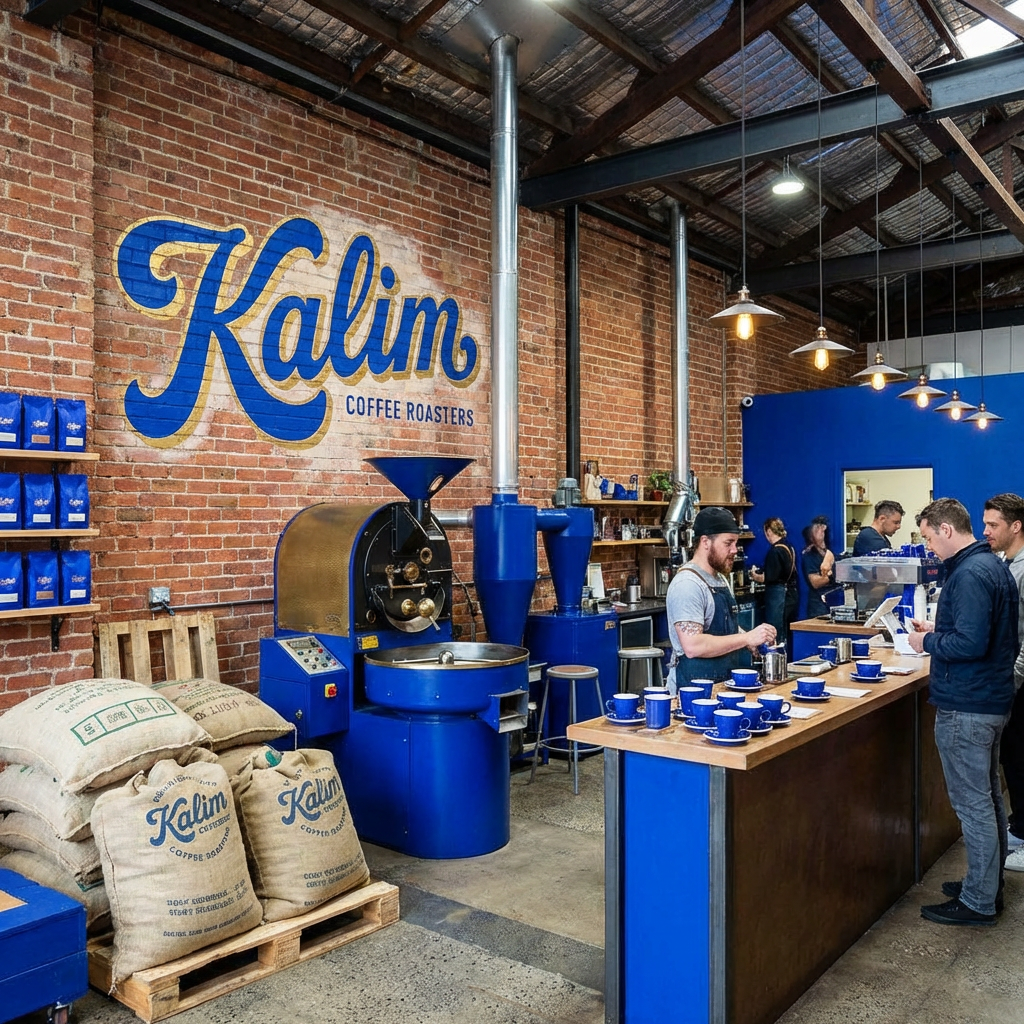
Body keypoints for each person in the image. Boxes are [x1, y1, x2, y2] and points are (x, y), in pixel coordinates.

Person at [907, 497, 1018, 925]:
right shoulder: (991, 565)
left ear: (947, 529)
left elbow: (972, 644)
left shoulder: (970, 573)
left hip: (968, 705)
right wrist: (941, 628)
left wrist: (927, 642)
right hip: (988, 699)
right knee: (988, 798)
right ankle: (987, 884)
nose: (929, 547)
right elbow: (985, 630)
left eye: (928, 538)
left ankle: (978, 900)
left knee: (974, 805)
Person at [665, 506, 776, 689]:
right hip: (692, 691)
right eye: (728, 543)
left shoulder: (719, 579)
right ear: (705, 541)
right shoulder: (688, 584)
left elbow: (725, 628)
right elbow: (693, 646)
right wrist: (746, 638)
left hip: (721, 685)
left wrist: (753, 639)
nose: (734, 550)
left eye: (735, 543)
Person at [981, 493, 1024, 871]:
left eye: (993, 525)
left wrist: (1013, 678)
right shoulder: (1007, 564)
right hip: (1009, 676)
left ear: (1016, 525)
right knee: (1012, 756)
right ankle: (1020, 826)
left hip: (1019, 680)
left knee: (1021, 756)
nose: (986, 531)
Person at [749, 517, 799, 643]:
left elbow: (769, 578)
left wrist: (754, 576)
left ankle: (776, 653)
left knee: (775, 632)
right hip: (791, 594)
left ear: (769, 531)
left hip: (778, 596)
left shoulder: (775, 551)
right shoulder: (789, 547)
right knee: (785, 633)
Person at [800, 515, 835, 619]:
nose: (821, 530)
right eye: (817, 528)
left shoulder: (829, 552)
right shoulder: (809, 555)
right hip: (818, 607)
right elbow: (815, 582)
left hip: (834, 603)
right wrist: (832, 575)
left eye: (822, 527)